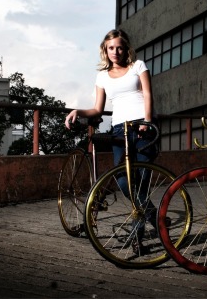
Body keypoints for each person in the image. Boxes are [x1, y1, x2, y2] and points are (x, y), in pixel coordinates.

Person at [65, 29, 158, 254]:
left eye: (119, 47)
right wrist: (78, 111)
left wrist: (147, 120)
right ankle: (157, 218)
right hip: (119, 130)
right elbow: (98, 109)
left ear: (126, 48)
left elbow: (147, 94)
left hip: (143, 127)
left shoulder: (138, 66)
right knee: (124, 182)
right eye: (111, 48)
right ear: (105, 51)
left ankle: (137, 240)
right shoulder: (102, 76)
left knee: (142, 184)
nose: (115, 52)